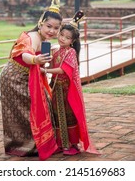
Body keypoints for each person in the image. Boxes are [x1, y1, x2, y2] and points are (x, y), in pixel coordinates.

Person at [0, 0, 62, 161]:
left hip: (28, 77)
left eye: (56, 28)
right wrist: (36, 59)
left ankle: (40, 143)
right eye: (49, 26)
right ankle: (24, 146)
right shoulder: (33, 37)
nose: (52, 31)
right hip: (14, 78)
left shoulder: (45, 40)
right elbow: (26, 54)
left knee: (43, 104)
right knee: (26, 111)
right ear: (41, 24)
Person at [41, 10, 99, 156]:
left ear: (72, 41)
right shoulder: (57, 51)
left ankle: (71, 145)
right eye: (61, 35)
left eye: (67, 38)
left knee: (68, 116)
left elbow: (62, 70)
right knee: (57, 115)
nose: (62, 39)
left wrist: (46, 71)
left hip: (66, 91)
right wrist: (45, 63)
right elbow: (52, 65)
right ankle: (61, 144)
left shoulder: (70, 53)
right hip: (56, 90)